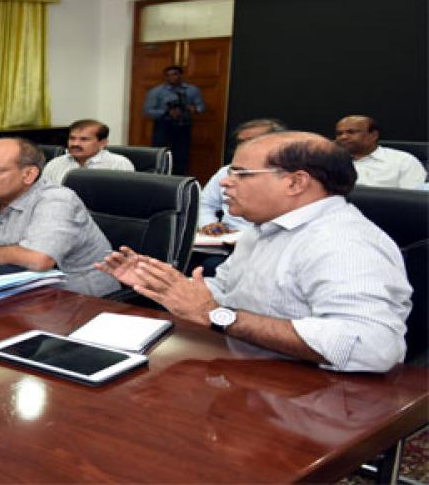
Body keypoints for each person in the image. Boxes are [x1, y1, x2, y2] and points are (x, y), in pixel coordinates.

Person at [96, 132, 412, 373]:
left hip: (311, 398)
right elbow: (228, 292)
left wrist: (216, 315)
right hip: (243, 368)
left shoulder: (343, 243)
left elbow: (373, 347)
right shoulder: (262, 230)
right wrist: (166, 285)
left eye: (240, 174)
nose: (225, 184)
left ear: (295, 182)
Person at [0, 138, 119, 296]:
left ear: (29, 174)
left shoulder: (57, 200)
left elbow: (39, 259)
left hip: (79, 297)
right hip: (12, 286)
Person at [198, 118, 287, 236]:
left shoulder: (287, 175)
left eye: (252, 142)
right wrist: (209, 224)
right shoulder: (225, 172)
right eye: (241, 142)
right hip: (226, 241)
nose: (243, 147)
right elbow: (204, 204)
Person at [334, 115, 426, 189]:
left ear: (373, 135)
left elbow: (413, 200)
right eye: (339, 134)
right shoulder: (330, 161)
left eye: (351, 132)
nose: (343, 137)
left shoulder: (403, 161)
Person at [144, 65, 205, 175]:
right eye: (168, 75)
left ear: (181, 75)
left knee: (182, 158)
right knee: (161, 156)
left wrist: (193, 109)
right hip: (163, 127)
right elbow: (148, 111)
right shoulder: (156, 92)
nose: (171, 77)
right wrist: (166, 112)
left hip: (183, 127)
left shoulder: (192, 90)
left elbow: (201, 107)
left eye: (175, 74)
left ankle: (179, 181)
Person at [40, 119, 134, 185]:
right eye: (72, 138)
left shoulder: (119, 164)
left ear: (102, 143)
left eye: (84, 139)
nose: (75, 144)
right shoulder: (55, 164)